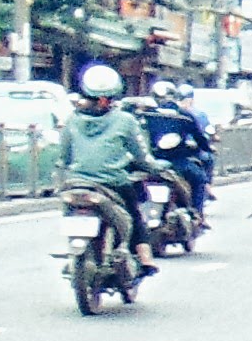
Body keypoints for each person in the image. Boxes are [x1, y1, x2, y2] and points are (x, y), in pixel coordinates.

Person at [63, 65, 174, 264]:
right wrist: (157, 168)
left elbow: (64, 158)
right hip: (113, 182)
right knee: (136, 216)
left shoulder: (72, 120)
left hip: (76, 182)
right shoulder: (125, 120)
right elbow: (142, 157)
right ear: (108, 98)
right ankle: (145, 259)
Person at [139, 80, 217, 219]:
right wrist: (206, 148)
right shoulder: (184, 116)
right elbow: (200, 138)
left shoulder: (144, 115)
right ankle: (197, 215)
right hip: (177, 162)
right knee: (199, 179)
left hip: (147, 162)